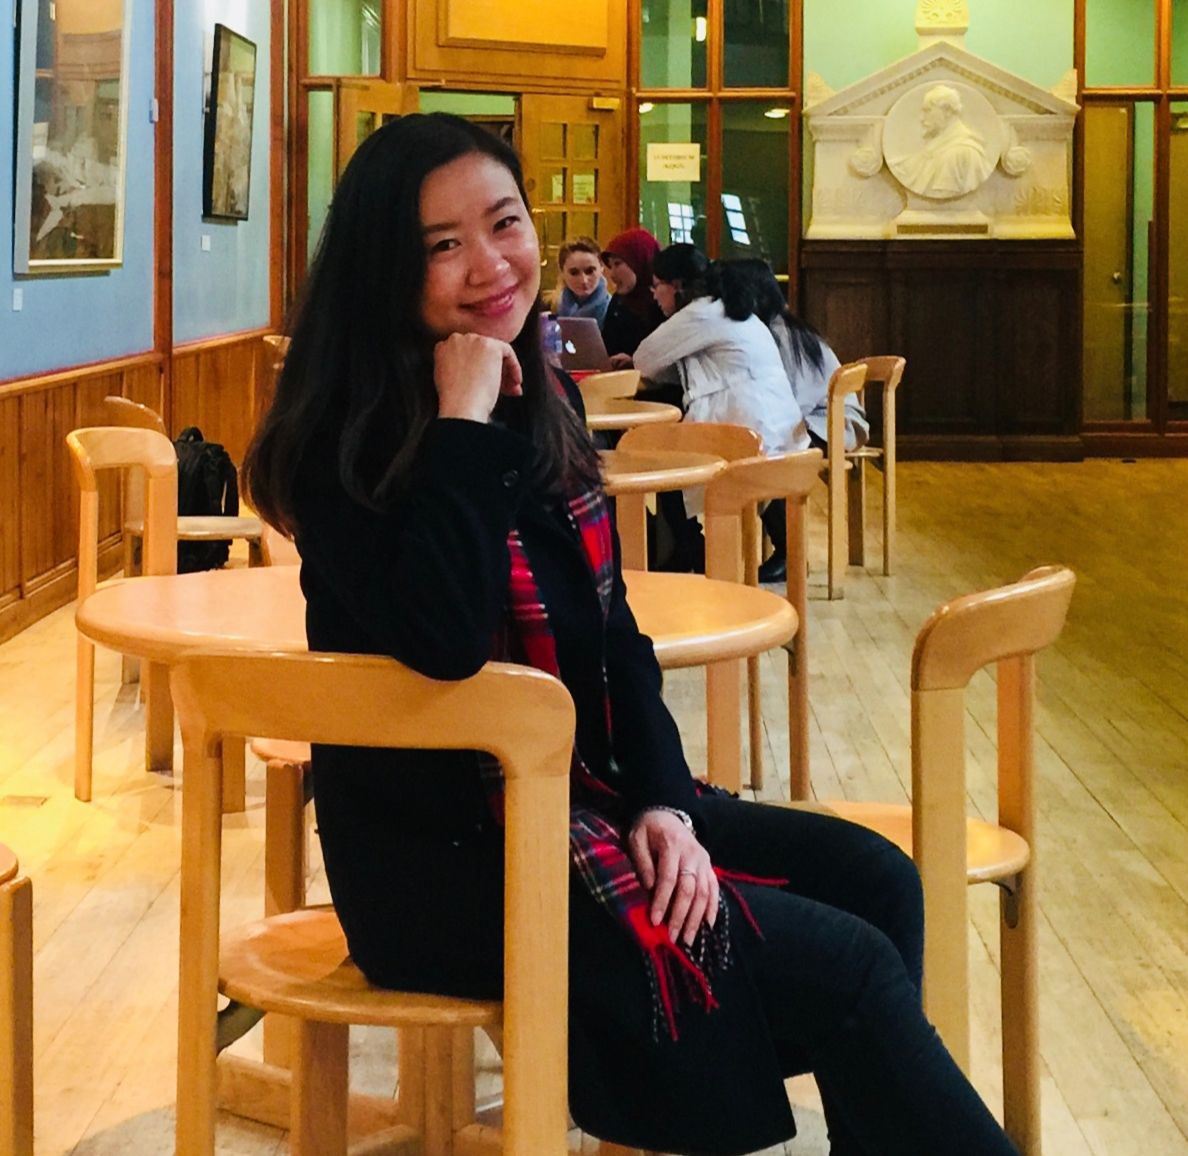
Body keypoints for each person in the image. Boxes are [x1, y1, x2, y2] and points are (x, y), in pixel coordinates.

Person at [244, 112, 1021, 1156]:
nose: (491, 264)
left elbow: (615, 637)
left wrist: (663, 803)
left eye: (504, 223)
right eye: (442, 244)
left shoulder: (543, 395)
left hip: (583, 798)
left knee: (877, 881)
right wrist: (462, 424)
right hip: (443, 863)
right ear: (385, 268)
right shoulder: (344, 441)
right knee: (843, 970)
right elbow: (445, 643)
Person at [722, 258, 869, 582]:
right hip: (819, 420)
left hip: (832, 424)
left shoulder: (780, 336)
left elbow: (789, 404)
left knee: (767, 453)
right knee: (761, 446)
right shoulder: (778, 327)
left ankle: (790, 552)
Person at [891, 84, 994, 200]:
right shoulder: (941, 146)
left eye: (927, 110)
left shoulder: (960, 152)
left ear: (947, 111)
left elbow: (944, 196)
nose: (922, 118)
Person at [599, 226, 665, 362]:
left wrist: (635, 362)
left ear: (640, 261)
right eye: (610, 266)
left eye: (618, 264)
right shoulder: (618, 302)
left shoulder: (664, 302)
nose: (612, 274)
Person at [554, 236, 611, 325]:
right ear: (562, 272)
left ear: (602, 268)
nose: (584, 280)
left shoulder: (614, 311)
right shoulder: (553, 307)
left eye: (590, 271)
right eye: (574, 273)